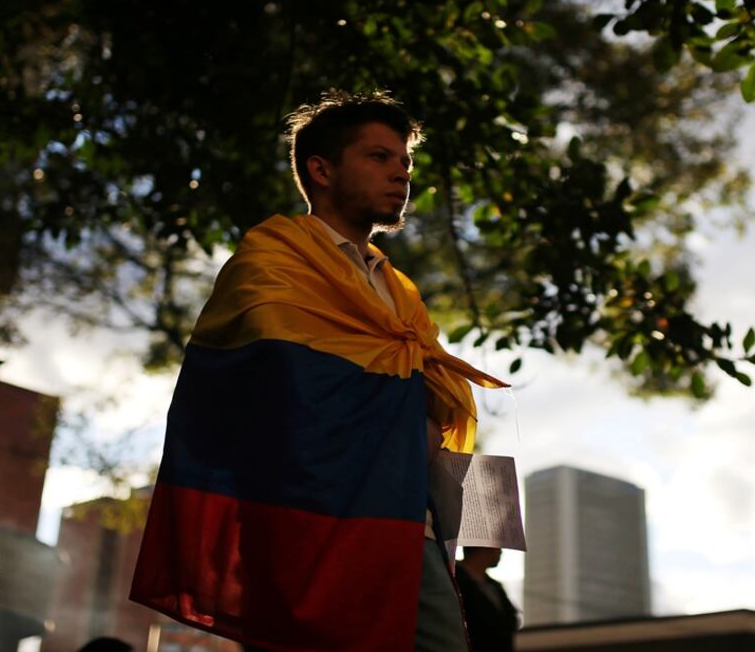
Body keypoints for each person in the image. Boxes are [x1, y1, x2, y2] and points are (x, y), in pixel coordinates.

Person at [130, 89, 507, 651]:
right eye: (379, 157)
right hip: (307, 519)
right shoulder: (271, 261)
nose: (401, 174)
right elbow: (265, 398)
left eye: (405, 161)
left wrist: (485, 515)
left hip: (409, 521)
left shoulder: (397, 288)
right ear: (321, 169)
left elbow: (426, 399)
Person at [455, 547, 518, 652]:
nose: (501, 551)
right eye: (497, 547)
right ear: (483, 548)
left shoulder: (494, 585)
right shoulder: (456, 581)